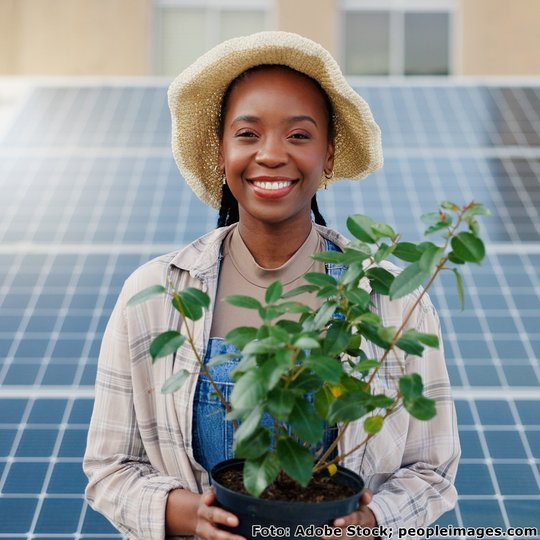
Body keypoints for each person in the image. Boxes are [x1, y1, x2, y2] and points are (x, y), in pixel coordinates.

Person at [83, 31, 460, 540]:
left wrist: (369, 520)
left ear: (328, 157)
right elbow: (110, 468)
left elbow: (432, 471)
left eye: (299, 136)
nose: (271, 155)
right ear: (220, 153)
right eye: (248, 134)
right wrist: (191, 516)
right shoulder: (155, 293)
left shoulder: (391, 296)